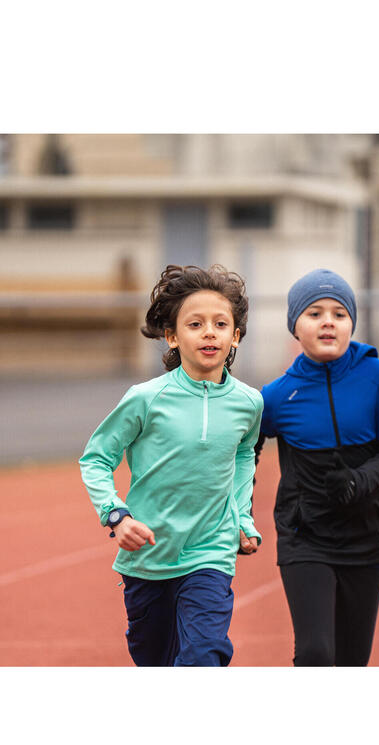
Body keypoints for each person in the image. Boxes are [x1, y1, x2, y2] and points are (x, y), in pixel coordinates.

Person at [79, 264, 263, 667]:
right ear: (172, 337)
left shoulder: (249, 403)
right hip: (148, 555)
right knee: (154, 659)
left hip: (211, 553)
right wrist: (116, 516)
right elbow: (96, 459)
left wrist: (242, 521)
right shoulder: (145, 399)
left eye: (220, 324)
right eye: (195, 324)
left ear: (235, 336)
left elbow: (244, 455)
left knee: (202, 656)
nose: (209, 332)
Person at [256, 269, 379, 666]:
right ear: (295, 327)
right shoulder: (274, 397)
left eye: (339, 314)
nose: (328, 321)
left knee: (351, 661)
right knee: (315, 654)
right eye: (314, 313)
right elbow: (242, 455)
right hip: (305, 537)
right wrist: (238, 510)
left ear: (351, 324)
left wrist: (359, 481)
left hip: (367, 537)